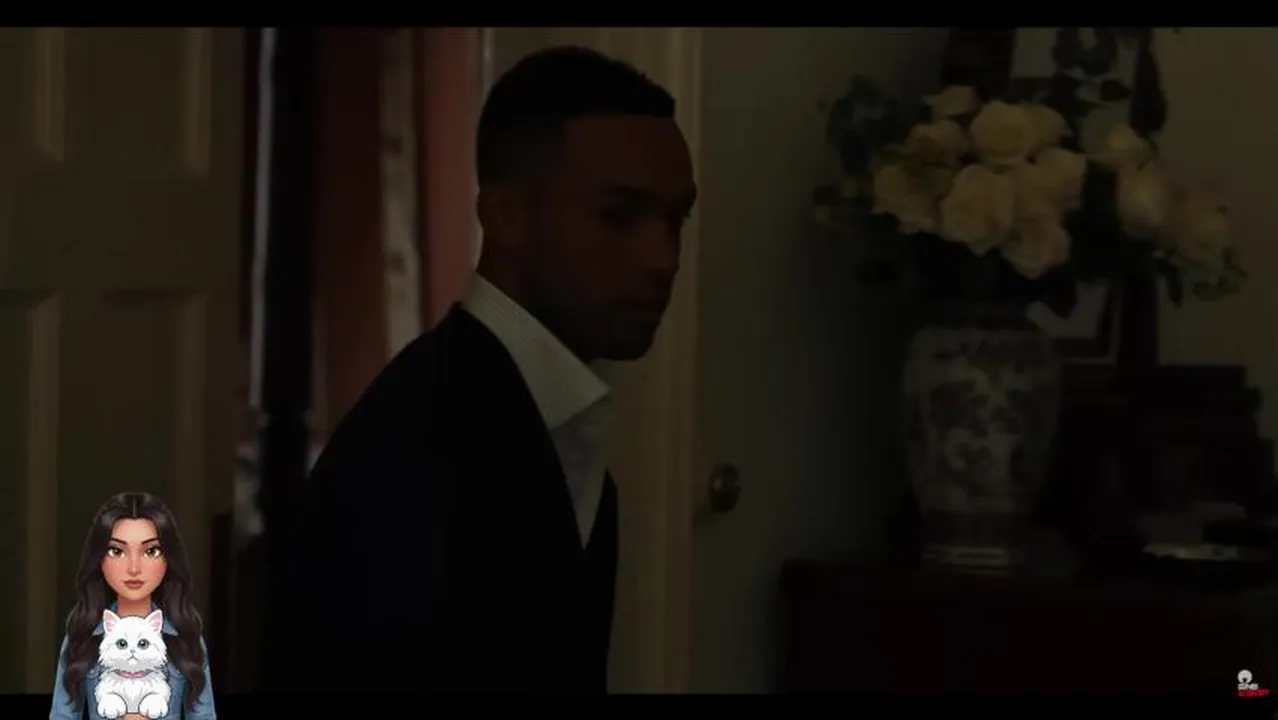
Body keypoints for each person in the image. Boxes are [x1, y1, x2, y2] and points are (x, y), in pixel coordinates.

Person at [279, 46, 696, 693]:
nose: (662, 259)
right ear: (506, 218)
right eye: (619, 217)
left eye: (675, 220)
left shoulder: (542, 421)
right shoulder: (422, 452)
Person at [51, 492, 216, 719]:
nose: (134, 568)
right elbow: (62, 715)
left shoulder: (185, 636)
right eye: (117, 551)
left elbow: (204, 716)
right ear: (99, 559)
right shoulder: (82, 635)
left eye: (151, 551)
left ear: (169, 559)